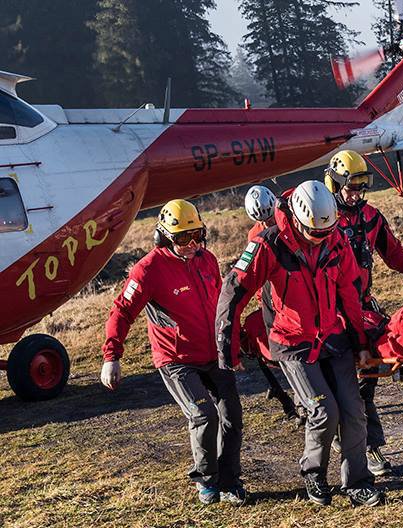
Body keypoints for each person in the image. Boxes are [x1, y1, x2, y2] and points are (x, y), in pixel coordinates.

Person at [216, 181, 384, 507]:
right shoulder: (268, 245)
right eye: (315, 233)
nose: (321, 238)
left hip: (333, 338)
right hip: (292, 343)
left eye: (327, 232)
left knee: (353, 411)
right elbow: (233, 293)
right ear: (297, 219)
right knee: (324, 412)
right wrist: (228, 348)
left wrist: (361, 342)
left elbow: (350, 292)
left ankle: (358, 482)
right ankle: (314, 473)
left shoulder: (336, 240)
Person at [99, 199, 245, 505]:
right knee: (204, 415)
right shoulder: (147, 270)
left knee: (232, 416)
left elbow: (221, 306)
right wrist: (112, 356)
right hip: (176, 360)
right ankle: (207, 479)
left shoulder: (207, 259)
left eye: (197, 235)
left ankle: (230, 481)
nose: (192, 244)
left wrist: (233, 342)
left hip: (213, 354)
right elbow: (122, 311)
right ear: (164, 236)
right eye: (183, 238)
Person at [324, 150, 403, 476]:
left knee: (366, 380)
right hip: (329, 315)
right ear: (334, 184)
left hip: (362, 309)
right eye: (351, 187)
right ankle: (350, 440)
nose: (356, 194)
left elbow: (394, 252)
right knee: (341, 387)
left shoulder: (371, 217)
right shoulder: (322, 218)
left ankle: (368, 445)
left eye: (361, 187)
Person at [241, 185, 303, 425]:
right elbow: (256, 273)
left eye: (269, 218)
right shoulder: (254, 236)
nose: (267, 224)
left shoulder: (289, 219)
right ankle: (299, 401)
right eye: (262, 221)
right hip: (273, 298)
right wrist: (262, 300)